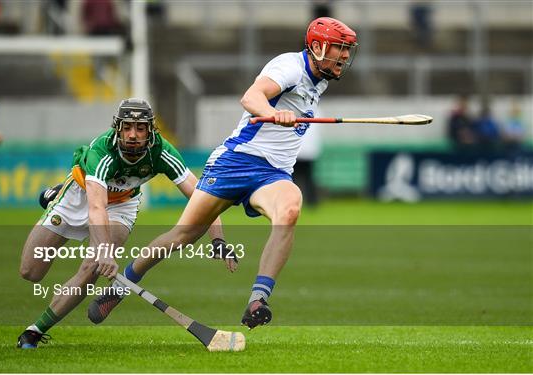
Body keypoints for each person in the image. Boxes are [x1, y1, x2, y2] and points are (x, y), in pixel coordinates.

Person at [88, 17, 358, 329]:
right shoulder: (290, 67)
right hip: (235, 162)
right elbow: (251, 97)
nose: (345, 56)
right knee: (183, 235)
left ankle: (258, 299)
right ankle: (119, 288)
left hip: (273, 174)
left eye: (347, 50)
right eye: (340, 48)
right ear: (317, 46)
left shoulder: (319, 80)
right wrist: (273, 114)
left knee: (290, 209)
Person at [16, 98, 234, 349]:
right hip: (81, 194)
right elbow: (96, 207)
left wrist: (218, 240)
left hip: (122, 204)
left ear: (150, 131)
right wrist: (105, 251)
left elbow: (203, 199)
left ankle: (34, 331)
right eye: (127, 127)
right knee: (30, 272)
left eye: (140, 129)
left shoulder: (161, 152)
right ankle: (54, 194)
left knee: (92, 268)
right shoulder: (102, 151)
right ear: (118, 128)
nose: (133, 135)